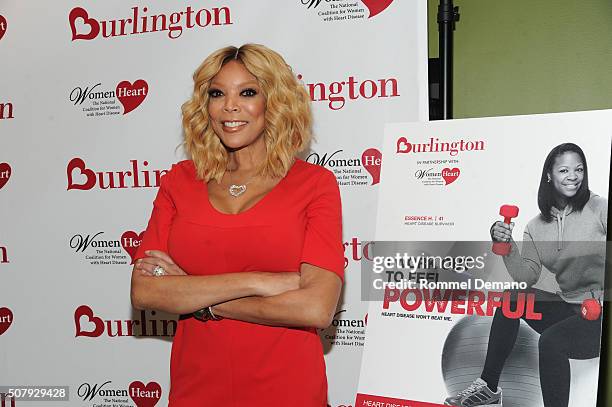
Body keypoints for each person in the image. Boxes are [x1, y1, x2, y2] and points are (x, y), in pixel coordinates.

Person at [130, 44, 344, 406]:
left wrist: (202, 301)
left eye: (247, 92)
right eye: (217, 93)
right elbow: (146, 292)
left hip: (288, 390)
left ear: (273, 102)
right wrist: (259, 282)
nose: (230, 106)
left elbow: (315, 308)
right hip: (196, 389)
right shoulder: (179, 182)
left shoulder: (314, 183)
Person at [445, 143, 607, 407]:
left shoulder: (599, 208)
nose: (573, 176)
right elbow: (526, 276)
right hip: (569, 309)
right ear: (549, 175)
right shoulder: (536, 226)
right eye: (564, 170)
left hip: (600, 318)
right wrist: (507, 246)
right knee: (513, 299)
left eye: (579, 169)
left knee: (551, 341)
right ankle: (488, 389)